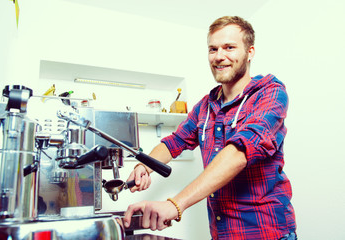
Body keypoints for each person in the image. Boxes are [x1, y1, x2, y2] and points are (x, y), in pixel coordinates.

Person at [124, 16, 296, 240]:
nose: (219, 56)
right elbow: (175, 141)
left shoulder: (270, 93)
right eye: (213, 49)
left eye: (229, 47)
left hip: (266, 233)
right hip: (222, 234)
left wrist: (175, 204)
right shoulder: (206, 104)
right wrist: (145, 166)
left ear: (250, 52)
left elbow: (239, 153)